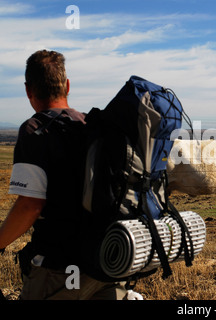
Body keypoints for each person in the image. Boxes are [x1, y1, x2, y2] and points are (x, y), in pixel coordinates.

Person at [0, 50, 128, 300]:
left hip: (59, 268)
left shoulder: (35, 130)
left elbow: (29, 206)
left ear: (28, 90)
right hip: (109, 261)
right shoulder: (91, 126)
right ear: (67, 86)